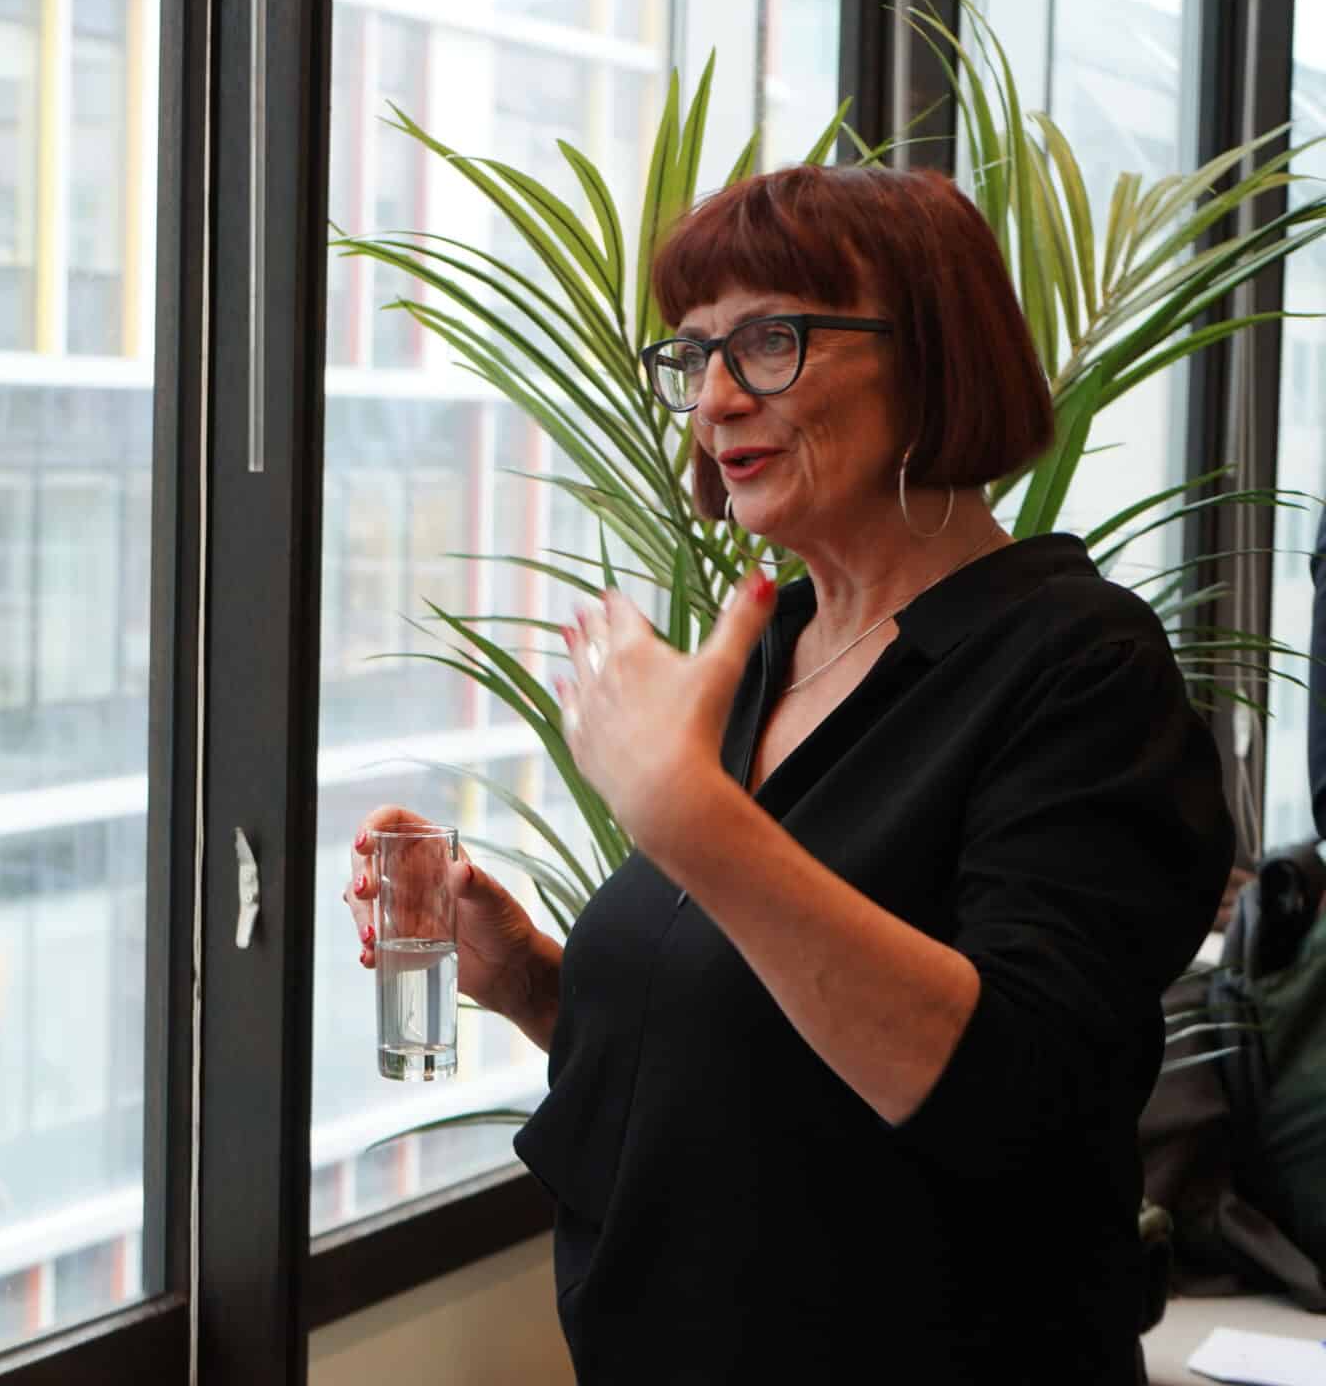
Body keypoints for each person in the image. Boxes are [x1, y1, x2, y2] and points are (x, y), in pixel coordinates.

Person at [347, 165, 1230, 1385]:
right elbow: (754, 1064)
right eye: (694, 353)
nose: (714, 398)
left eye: (769, 341)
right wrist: (534, 982)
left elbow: (1016, 1098)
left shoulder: (1080, 663)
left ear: (935, 358)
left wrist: (695, 827)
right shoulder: (765, 650)